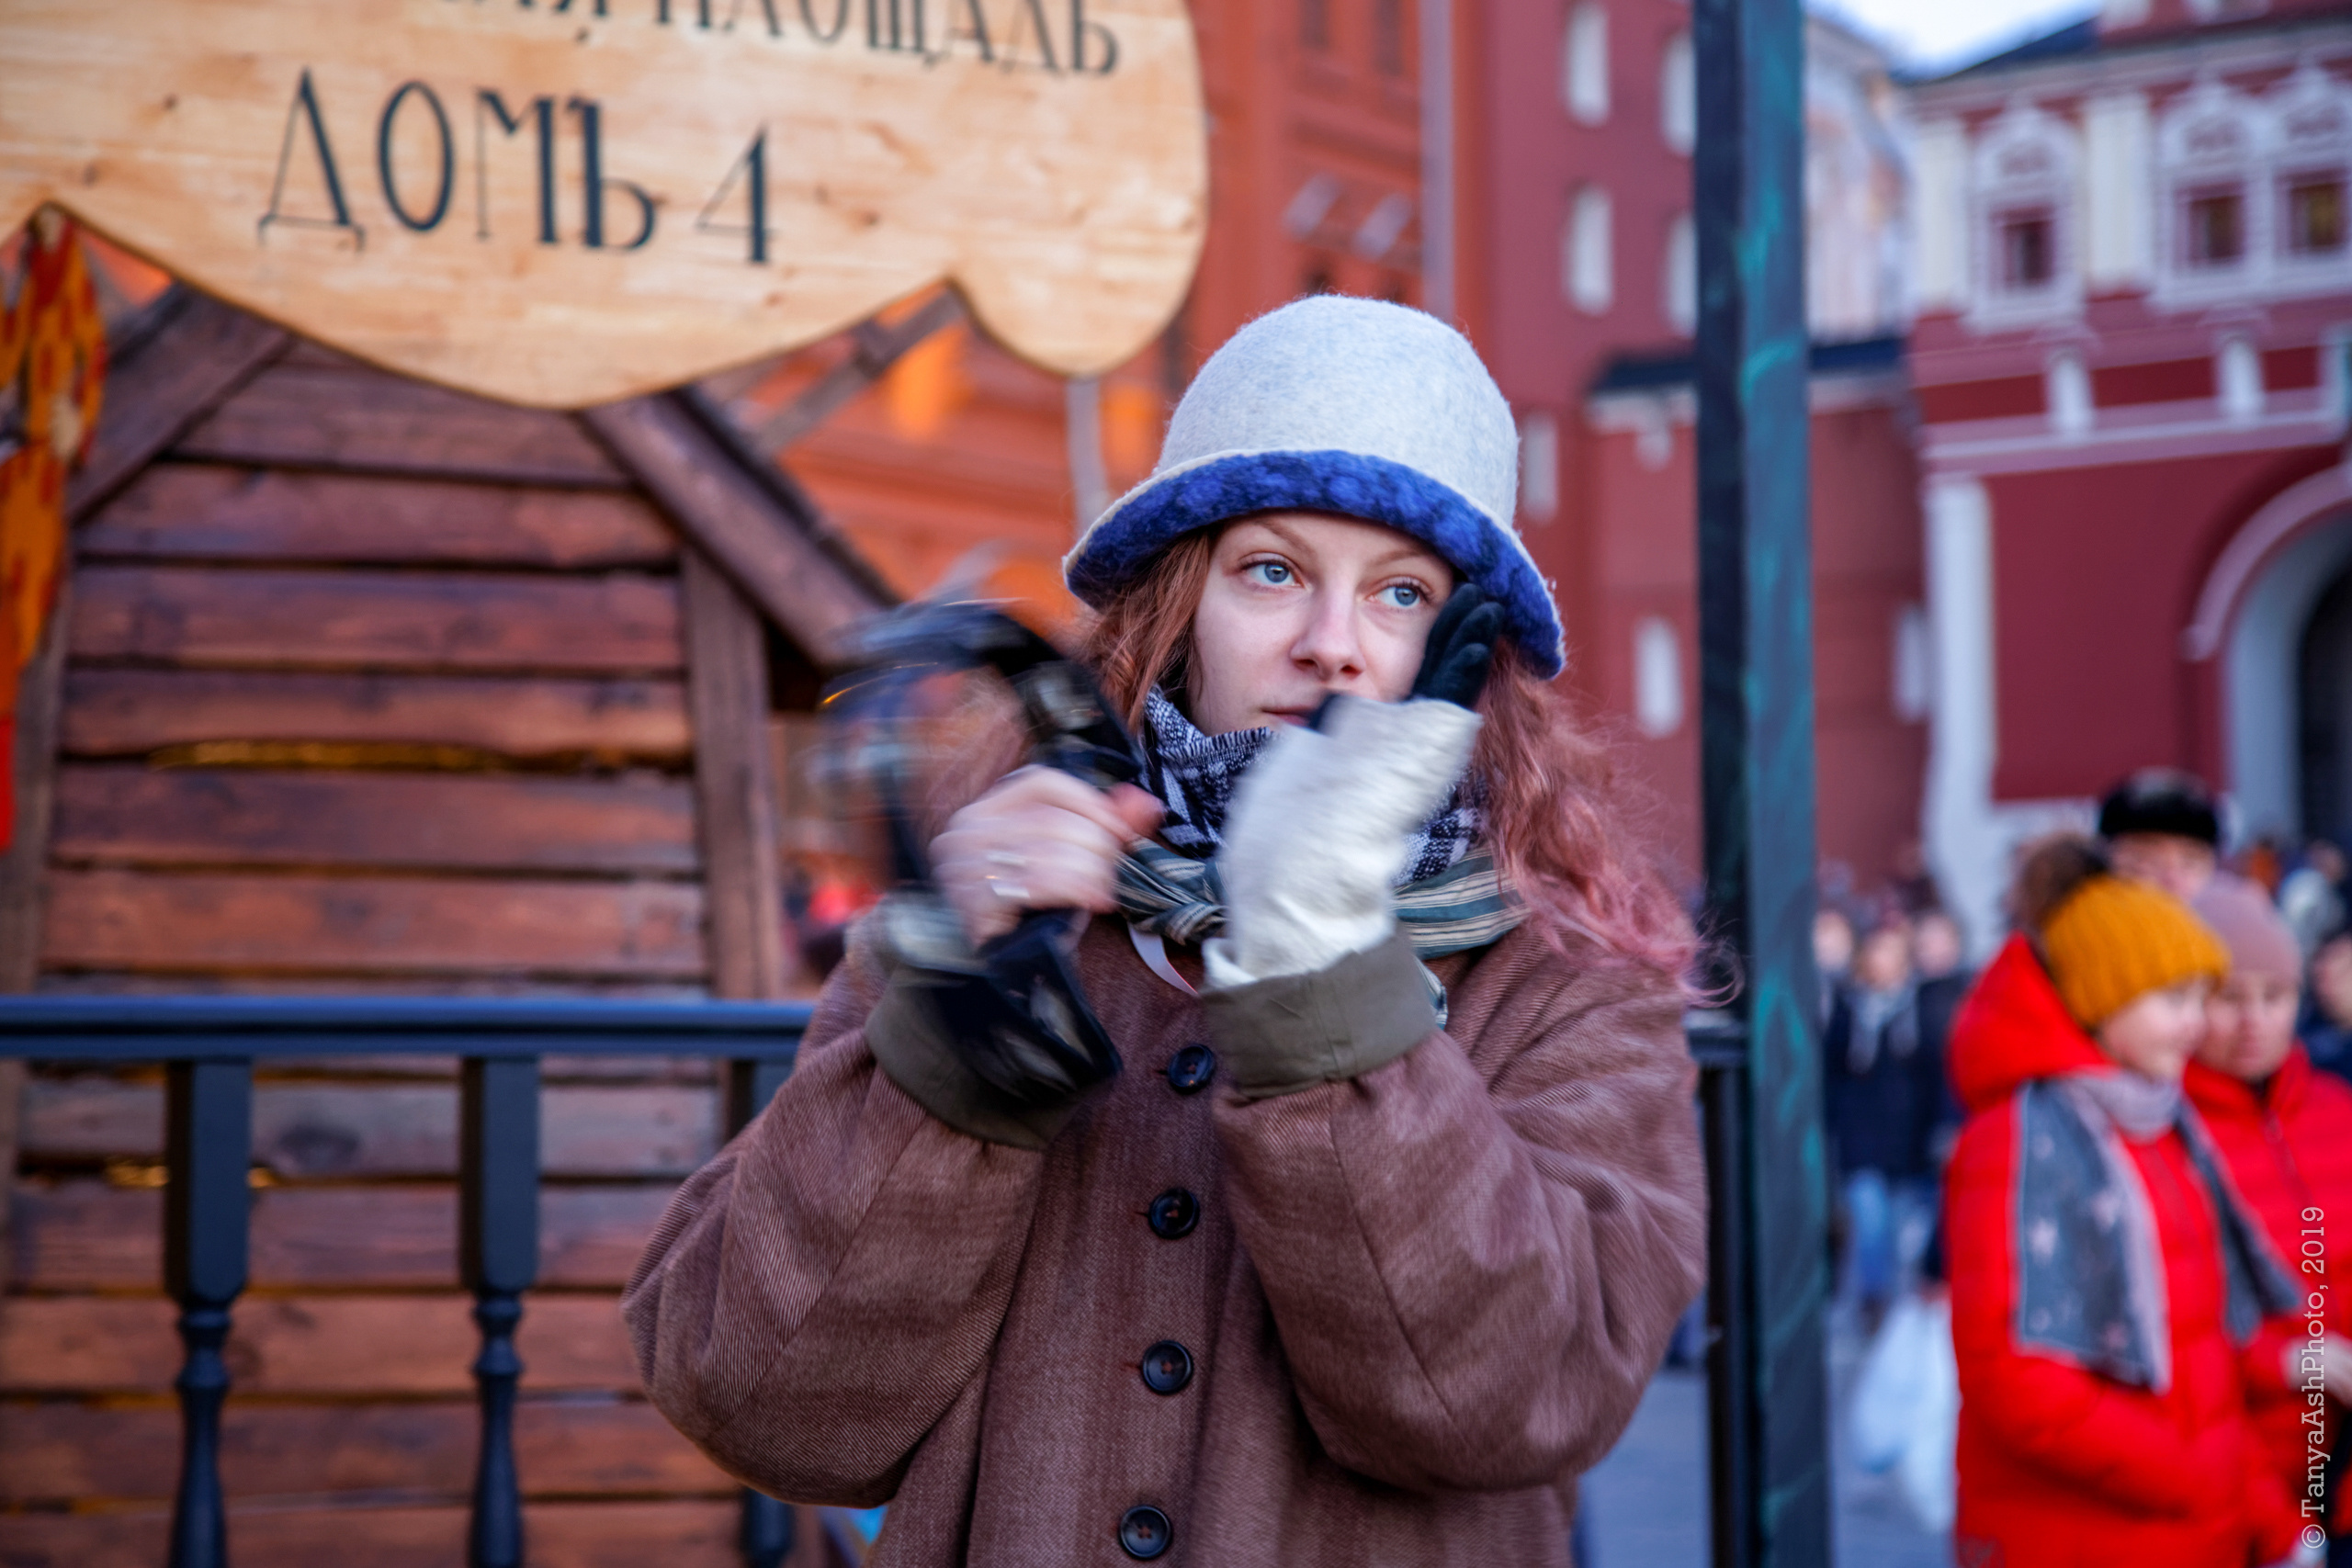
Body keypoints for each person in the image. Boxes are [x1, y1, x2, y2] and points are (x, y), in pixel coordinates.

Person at [622, 297, 1709, 1564]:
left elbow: (1511, 1401)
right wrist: (956, 1038)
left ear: (1464, 652)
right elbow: (765, 1401)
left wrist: (1319, 968)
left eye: (1400, 592)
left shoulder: (1566, 980)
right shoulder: (1000, 914)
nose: (1331, 647)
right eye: (1273, 570)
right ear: (1177, 606)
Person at [1945, 835, 2301, 1568]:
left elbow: (2210, 1360)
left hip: (2190, 1530)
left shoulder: (2162, 1126)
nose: (2198, 1022)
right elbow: (2015, 1378)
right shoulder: (2018, 1137)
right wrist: (2189, 1473)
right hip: (2076, 1535)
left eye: (2201, 996)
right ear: (2102, 996)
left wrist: (2274, 1520)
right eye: (2174, 997)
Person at [2184, 875, 2352, 1564]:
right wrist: (2280, 1359)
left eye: (2274, 996)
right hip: (2243, 1471)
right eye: (2229, 998)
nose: (2254, 1020)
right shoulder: (2168, 1131)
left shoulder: (2337, 1107)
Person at [1826, 911, 1949, 1330]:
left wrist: (1939, 1130)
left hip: (1910, 1141)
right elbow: (1831, 1074)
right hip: (1861, 1139)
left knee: (1901, 1231)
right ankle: (1873, 1300)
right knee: (1870, 1221)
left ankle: (1897, 1305)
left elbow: (1936, 1074)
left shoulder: (1919, 1007)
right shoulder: (1848, 1008)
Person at [2098, 767, 2222, 904]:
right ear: (2105, 857)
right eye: (2145, 859)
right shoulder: (2083, 914)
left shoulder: (2227, 917)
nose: (2172, 880)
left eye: (2189, 862)